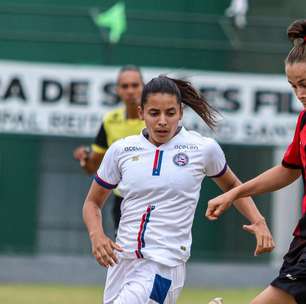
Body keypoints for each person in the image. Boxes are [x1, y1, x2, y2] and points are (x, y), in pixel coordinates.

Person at [82, 75, 274, 304]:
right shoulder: (122, 150)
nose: (162, 121)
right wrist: (97, 236)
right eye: (154, 113)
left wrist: (258, 221)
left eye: (170, 113)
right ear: (141, 112)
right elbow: (92, 202)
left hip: (165, 262)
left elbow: (233, 186)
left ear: (180, 113)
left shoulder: (202, 149)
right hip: (122, 261)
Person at [206, 19, 306, 304]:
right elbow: (289, 170)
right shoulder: (304, 120)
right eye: (293, 85)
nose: (299, 93)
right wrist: (235, 192)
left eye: (305, 84)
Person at [73, 65, 145, 231]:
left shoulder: (156, 119)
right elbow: (93, 166)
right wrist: (85, 158)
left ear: (143, 86)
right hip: (124, 202)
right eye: (125, 86)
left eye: (135, 85)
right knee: (127, 256)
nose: (130, 91)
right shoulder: (110, 121)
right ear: (118, 90)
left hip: (157, 200)